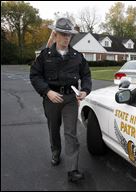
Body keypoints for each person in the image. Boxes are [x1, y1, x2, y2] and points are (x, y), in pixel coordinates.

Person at [30, 17, 92, 183]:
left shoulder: (77, 56)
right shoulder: (45, 55)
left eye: (69, 35)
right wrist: (47, 91)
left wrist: (85, 90)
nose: (66, 37)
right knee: (53, 128)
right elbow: (35, 75)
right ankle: (55, 151)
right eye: (63, 34)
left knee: (70, 133)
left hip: (70, 99)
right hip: (52, 98)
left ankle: (72, 170)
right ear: (55, 35)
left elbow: (86, 75)